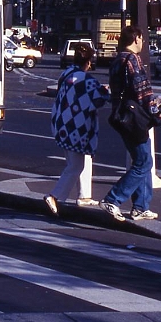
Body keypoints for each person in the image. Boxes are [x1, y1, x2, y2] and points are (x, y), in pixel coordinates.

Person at [101, 25, 161, 222]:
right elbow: (142, 92)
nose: (143, 42)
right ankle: (112, 199)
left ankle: (140, 207)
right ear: (136, 39)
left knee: (143, 160)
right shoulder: (133, 59)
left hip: (121, 116)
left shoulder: (118, 60)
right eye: (142, 39)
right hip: (134, 119)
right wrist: (158, 112)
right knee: (143, 162)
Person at [44, 43, 109, 216]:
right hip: (77, 128)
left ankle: (84, 195)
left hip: (61, 124)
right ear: (88, 61)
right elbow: (100, 98)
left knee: (78, 161)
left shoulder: (66, 73)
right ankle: (54, 196)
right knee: (76, 165)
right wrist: (105, 90)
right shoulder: (87, 80)